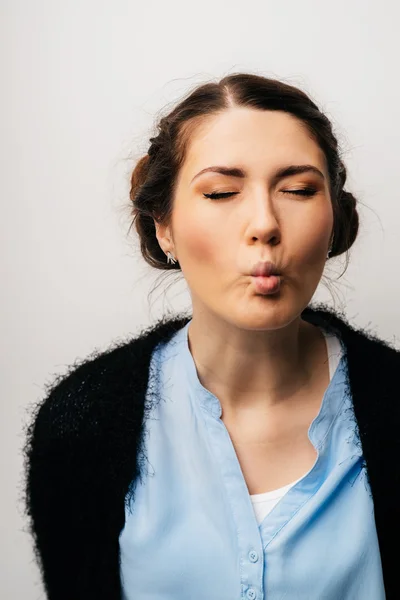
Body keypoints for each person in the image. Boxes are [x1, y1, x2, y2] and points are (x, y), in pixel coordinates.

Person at [24, 73, 400, 600]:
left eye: (298, 190)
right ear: (164, 226)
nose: (264, 223)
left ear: (334, 216)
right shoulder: (81, 424)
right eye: (222, 192)